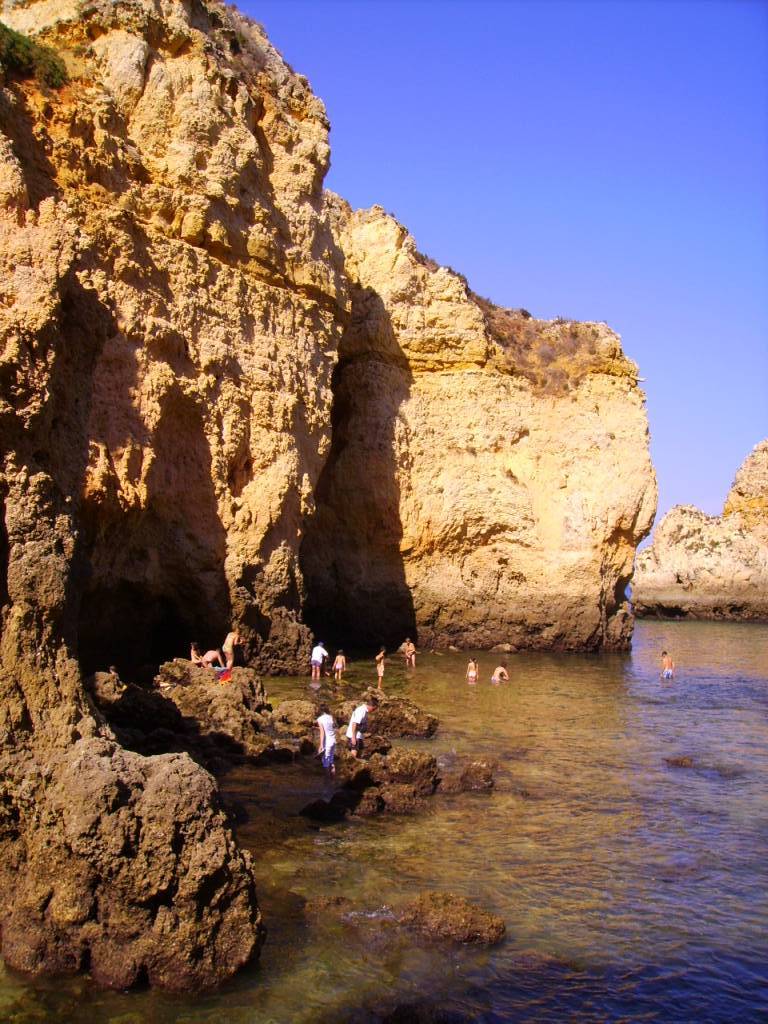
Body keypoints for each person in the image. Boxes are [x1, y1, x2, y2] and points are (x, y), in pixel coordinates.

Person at [316, 704, 337, 776]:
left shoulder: (320, 719)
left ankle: (327, 781)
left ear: (320, 710)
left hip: (327, 743)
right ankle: (333, 778)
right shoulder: (331, 717)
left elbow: (322, 733)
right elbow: (330, 729)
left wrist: (321, 745)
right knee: (331, 761)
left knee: (325, 763)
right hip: (333, 741)